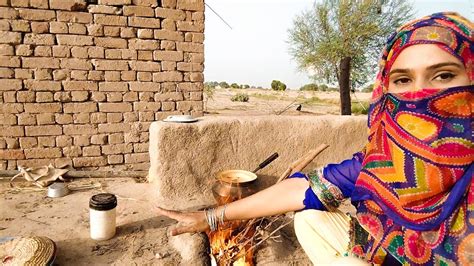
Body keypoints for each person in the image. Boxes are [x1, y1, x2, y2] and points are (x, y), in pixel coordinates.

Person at [156, 12, 473, 265]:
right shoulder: (385, 159)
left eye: (444, 75)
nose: (418, 93)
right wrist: (212, 217)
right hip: (387, 253)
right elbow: (310, 189)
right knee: (309, 219)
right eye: (402, 79)